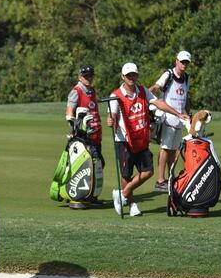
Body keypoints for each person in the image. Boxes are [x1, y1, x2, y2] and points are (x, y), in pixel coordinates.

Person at [106, 62, 190, 217]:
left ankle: (122, 194)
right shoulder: (115, 96)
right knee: (126, 174)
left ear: (137, 76)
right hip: (124, 140)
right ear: (123, 77)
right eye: (128, 75)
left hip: (141, 138)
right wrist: (110, 121)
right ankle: (131, 204)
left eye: (134, 74)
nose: (131, 78)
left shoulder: (143, 91)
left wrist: (178, 114)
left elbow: (159, 103)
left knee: (148, 171)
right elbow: (112, 116)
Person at [149, 50, 191, 192]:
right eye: (182, 61)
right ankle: (160, 180)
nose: (184, 64)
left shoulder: (186, 78)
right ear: (176, 61)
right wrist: (149, 94)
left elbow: (186, 98)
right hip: (167, 118)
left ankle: (170, 177)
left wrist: (188, 114)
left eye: (186, 62)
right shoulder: (169, 74)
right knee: (165, 148)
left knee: (174, 150)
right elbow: (157, 87)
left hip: (179, 119)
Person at [65, 65, 104, 208]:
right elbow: (70, 112)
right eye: (86, 76)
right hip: (83, 136)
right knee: (85, 166)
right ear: (80, 77)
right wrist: (73, 126)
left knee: (97, 165)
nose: (89, 78)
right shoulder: (77, 91)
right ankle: (79, 196)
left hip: (95, 135)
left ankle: (91, 196)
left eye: (90, 75)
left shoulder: (92, 90)